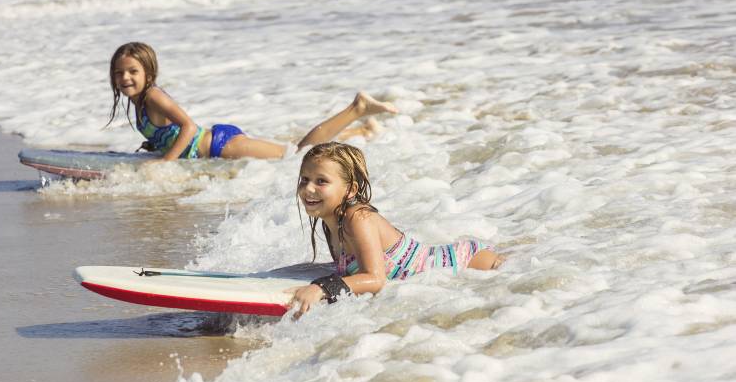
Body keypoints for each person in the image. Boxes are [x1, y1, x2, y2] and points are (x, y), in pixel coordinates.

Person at [289, 142, 504, 316]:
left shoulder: (357, 218)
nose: (308, 188)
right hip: (442, 272)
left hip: (466, 263)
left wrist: (322, 288)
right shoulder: (330, 221)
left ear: (350, 190)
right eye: (305, 179)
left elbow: (375, 279)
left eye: (321, 181)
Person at [108, 42, 397, 161]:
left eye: (133, 71)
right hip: (218, 145)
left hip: (223, 145)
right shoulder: (138, 101)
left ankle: (357, 108)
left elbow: (187, 126)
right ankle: (361, 131)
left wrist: (165, 163)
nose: (125, 78)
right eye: (119, 72)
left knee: (296, 155)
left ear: (149, 73)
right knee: (291, 149)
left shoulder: (154, 96)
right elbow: (168, 131)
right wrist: (155, 145)